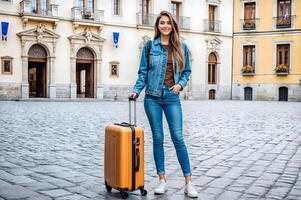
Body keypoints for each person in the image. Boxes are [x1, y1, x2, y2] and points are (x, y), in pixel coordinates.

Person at [128, 11, 198, 198]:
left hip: (172, 97)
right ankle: (162, 180)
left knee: (178, 138)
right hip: (152, 98)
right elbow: (143, 72)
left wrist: (180, 85)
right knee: (158, 138)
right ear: (157, 26)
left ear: (173, 25)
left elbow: (187, 71)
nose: (165, 26)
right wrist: (136, 90)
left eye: (168, 23)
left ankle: (188, 182)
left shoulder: (181, 46)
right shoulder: (150, 46)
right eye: (162, 23)